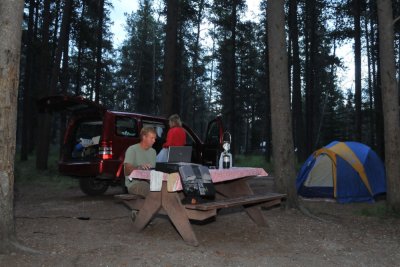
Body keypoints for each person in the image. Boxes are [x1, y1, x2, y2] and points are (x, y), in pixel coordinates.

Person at [124, 127, 157, 197]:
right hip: (135, 183)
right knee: (152, 190)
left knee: (165, 189)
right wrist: (139, 168)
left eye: (155, 138)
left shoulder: (153, 152)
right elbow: (126, 170)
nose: (154, 141)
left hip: (150, 182)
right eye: (152, 138)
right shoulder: (132, 149)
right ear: (144, 137)